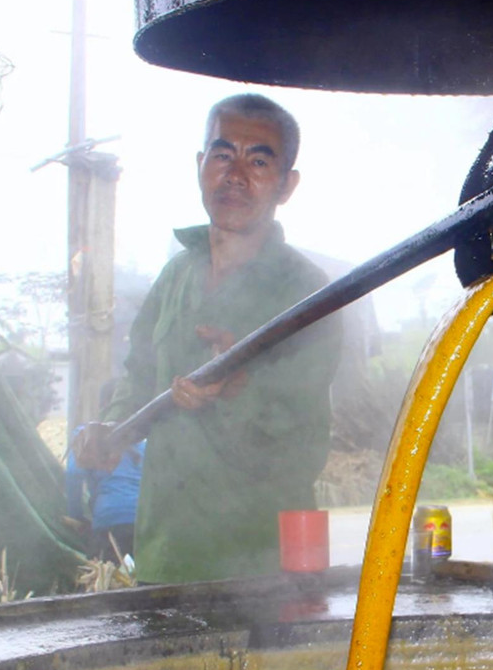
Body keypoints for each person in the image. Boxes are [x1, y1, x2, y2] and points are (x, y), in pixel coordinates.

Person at [75, 94, 339, 583]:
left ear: (287, 185)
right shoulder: (176, 274)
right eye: (222, 155)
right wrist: (110, 430)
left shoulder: (307, 292)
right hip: (165, 555)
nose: (235, 174)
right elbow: (138, 377)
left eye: (259, 160)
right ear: (201, 166)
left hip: (262, 568)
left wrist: (240, 387)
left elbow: (304, 441)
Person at [66, 380, 146, 562]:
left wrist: (76, 516)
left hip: (108, 523)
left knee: (106, 584)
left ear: (102, 406)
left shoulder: (86, 436)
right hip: (144, 524)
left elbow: (73, 474)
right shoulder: (141, 440)